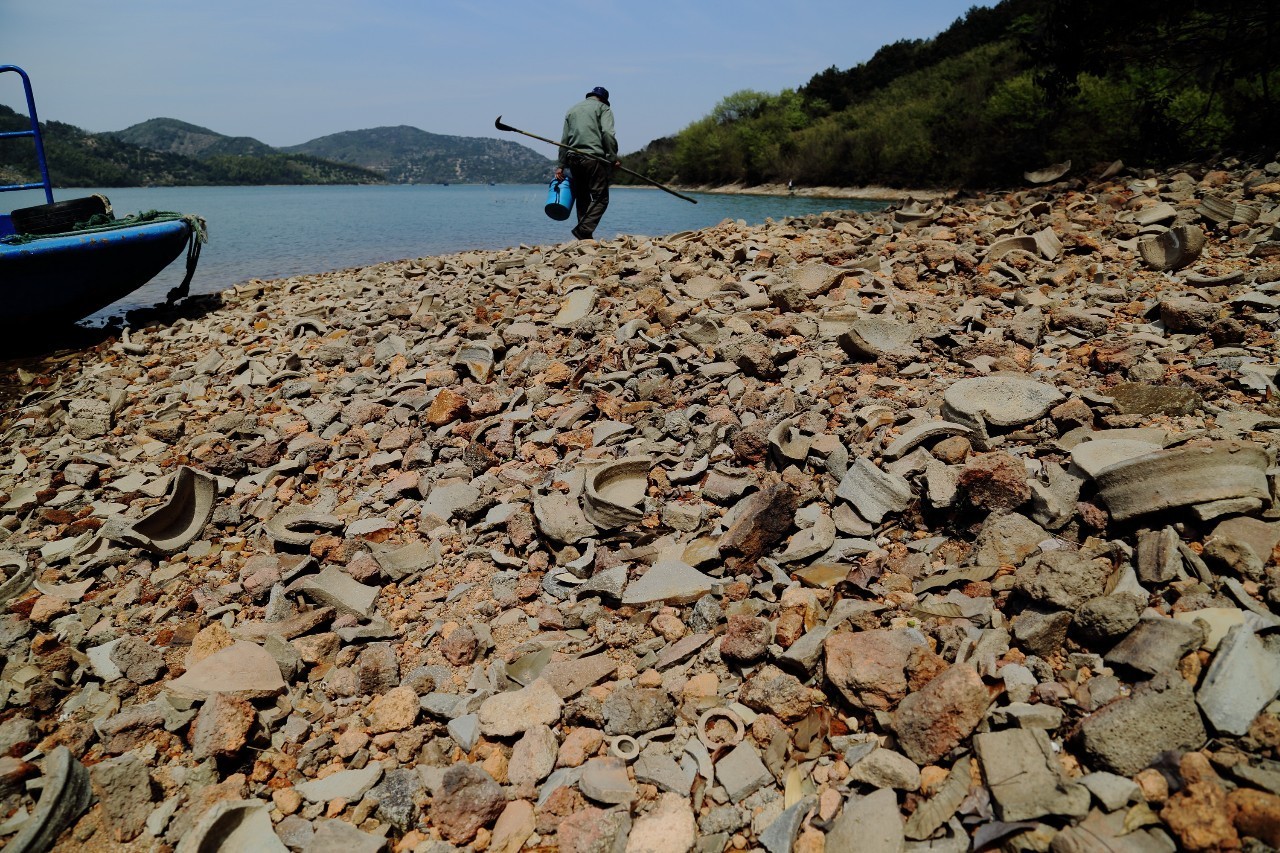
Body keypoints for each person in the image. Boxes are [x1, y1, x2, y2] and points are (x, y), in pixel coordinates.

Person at [555, 86, 618, 240]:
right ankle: (583, 230)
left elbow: (564, 140)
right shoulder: (603, 108)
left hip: (573, 159)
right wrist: (612, 157)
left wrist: (561, 165)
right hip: (593, 158)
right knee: (601, 197)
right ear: (603, 100)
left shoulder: (572, 110)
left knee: (583, 197)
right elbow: (608, 133)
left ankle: (585, 238)